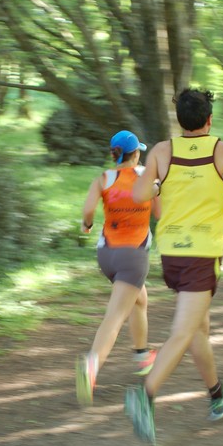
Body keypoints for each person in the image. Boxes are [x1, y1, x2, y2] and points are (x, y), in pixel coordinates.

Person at [126, 88, 223, 445]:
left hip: (173, 254)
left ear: (180, 121)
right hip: (202, 253)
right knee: (183, 332)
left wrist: (159, 183)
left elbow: (139, 196)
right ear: (210, 119)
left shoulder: (162, 151)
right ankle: (145, 395)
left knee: (198, 327)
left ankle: (216, 393)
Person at [75, 130, 161, 406]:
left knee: (139, 300)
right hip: (133, 257)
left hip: (106, 255)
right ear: (136, 153)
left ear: (114, 154)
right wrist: (156, 192)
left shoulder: (103, 179)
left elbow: (88, 211)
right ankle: (91, 365)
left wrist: (87, 225)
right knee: (115, 317)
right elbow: (158, 213)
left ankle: (141, 354)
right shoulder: (147, 177)